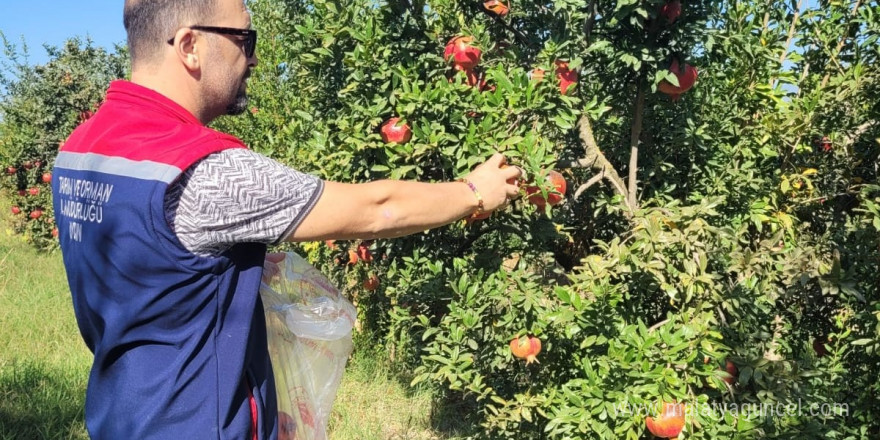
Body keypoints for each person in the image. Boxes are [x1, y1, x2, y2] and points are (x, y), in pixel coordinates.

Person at [51, 0, 522, 438]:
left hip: (124, 413)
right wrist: (474, 192)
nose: (253, 60)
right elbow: (378, 209)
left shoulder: (80, 150)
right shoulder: (204, 170)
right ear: (191, 45)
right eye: (244, 41)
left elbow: (152, 263)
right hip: (202, 424)